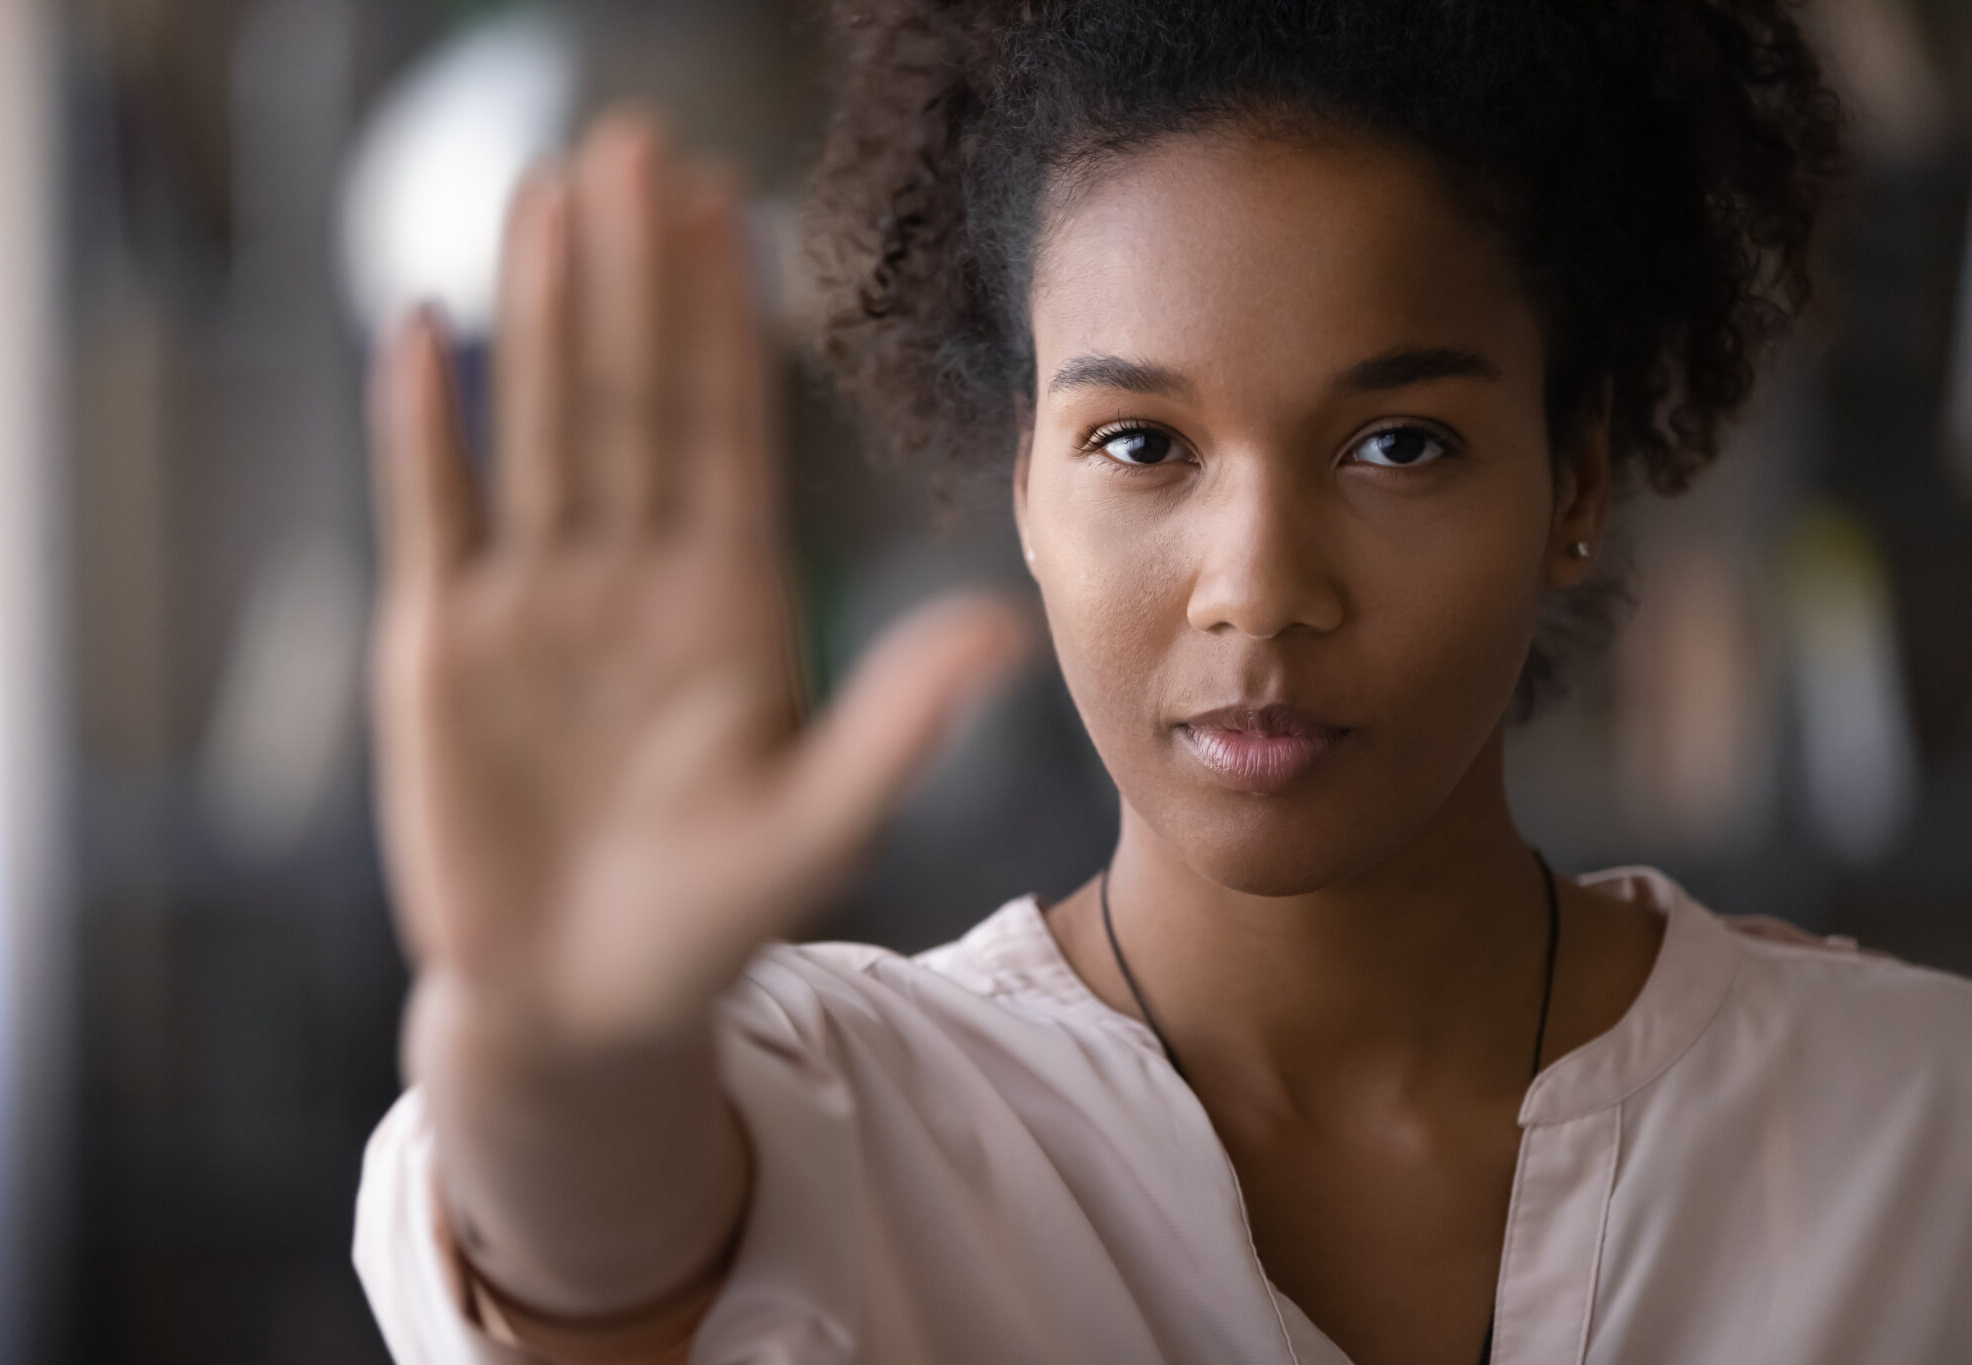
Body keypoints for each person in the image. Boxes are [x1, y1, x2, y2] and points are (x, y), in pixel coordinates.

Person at [351, 2, 1972, 1362]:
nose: (1256, 583)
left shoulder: (1912, 1135)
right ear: (1023, 491)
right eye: (1140, 443)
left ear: (1577, 479)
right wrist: (558, 1047)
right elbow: (588, 1254)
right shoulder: (843, 1111)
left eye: (1396, 443)